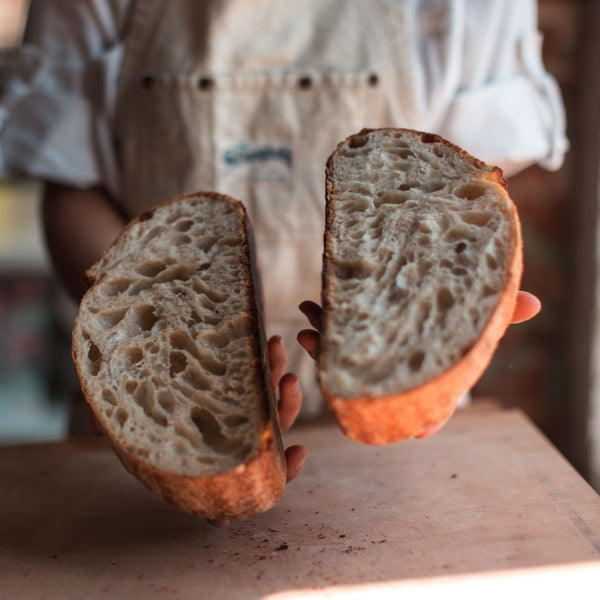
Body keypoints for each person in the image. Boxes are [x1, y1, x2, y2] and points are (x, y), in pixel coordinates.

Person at [0, 0, 565, 512]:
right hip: (159, 390)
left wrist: (442, 339)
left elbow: (464, 193)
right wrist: (144, 357)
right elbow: (69, 181)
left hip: (410, 450)